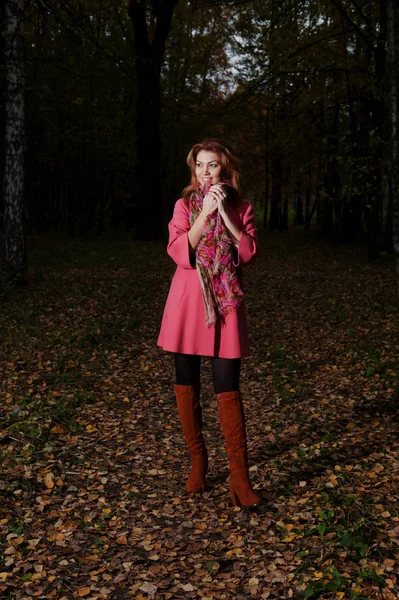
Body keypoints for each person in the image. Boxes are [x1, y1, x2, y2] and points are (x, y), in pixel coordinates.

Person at [157, 138, 266, 513]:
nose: (205, 171)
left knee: (228, 386)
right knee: (186, 380)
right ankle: (198, 462)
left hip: (226, 306)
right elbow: (179, 253)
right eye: (200, 165)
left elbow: (248, 253)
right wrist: (204, 214)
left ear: (225, 169)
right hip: (189, 304)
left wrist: (227, 216)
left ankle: (239, 476)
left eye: (213, 165)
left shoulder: (243, 207)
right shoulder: (184, 205)